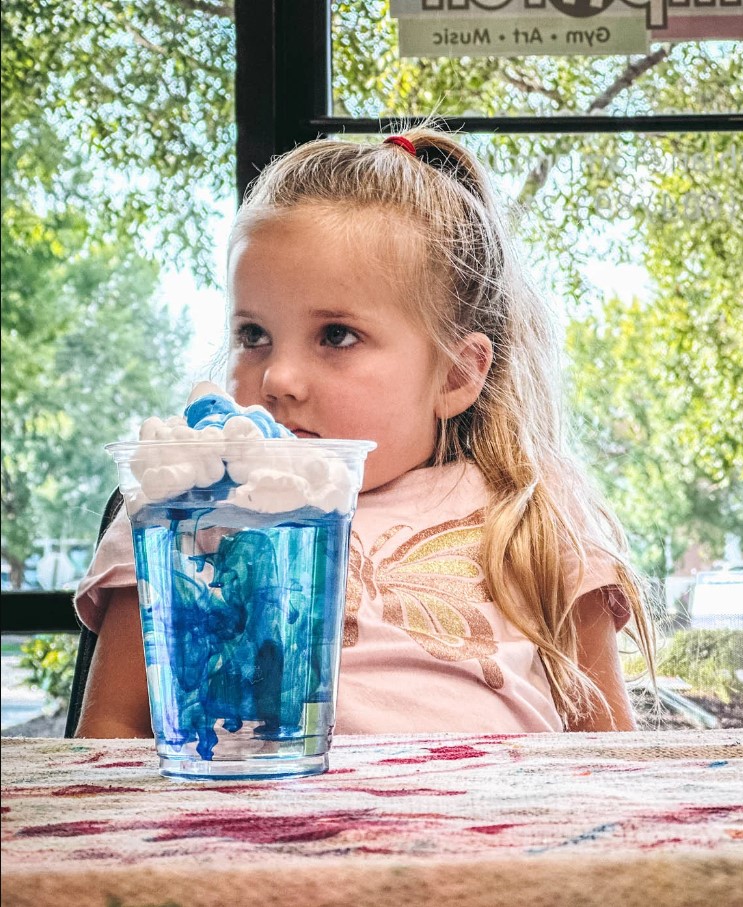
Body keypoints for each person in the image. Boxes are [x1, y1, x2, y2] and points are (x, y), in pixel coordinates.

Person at [75, 127, 655, 738]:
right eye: (253, 335)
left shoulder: (530, 511)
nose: (278, 378)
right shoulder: (179, 506)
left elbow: (608, 755)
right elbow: (112, 735)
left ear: (456, 375)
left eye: (336, 336)